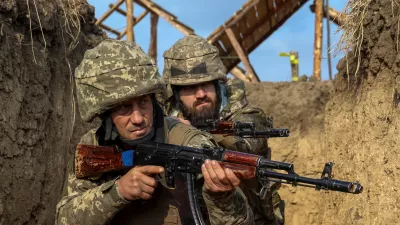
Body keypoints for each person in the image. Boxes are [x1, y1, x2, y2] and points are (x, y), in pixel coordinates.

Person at [55, 39, 254, 225]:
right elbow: (63, 218)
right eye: (124, 108)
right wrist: (117, 192)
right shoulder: (95, 145)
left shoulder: (189, 142)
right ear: (105, 113)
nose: (138, 118)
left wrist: (221, 196)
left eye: (143, 102)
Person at [162, 35, 284, 225]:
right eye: (190, 87)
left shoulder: (248, 118)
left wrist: (187, 135)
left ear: (217, 84)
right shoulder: (164, 120)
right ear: (175, 92)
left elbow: (243, 145)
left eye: (206, 84)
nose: (201, 94)